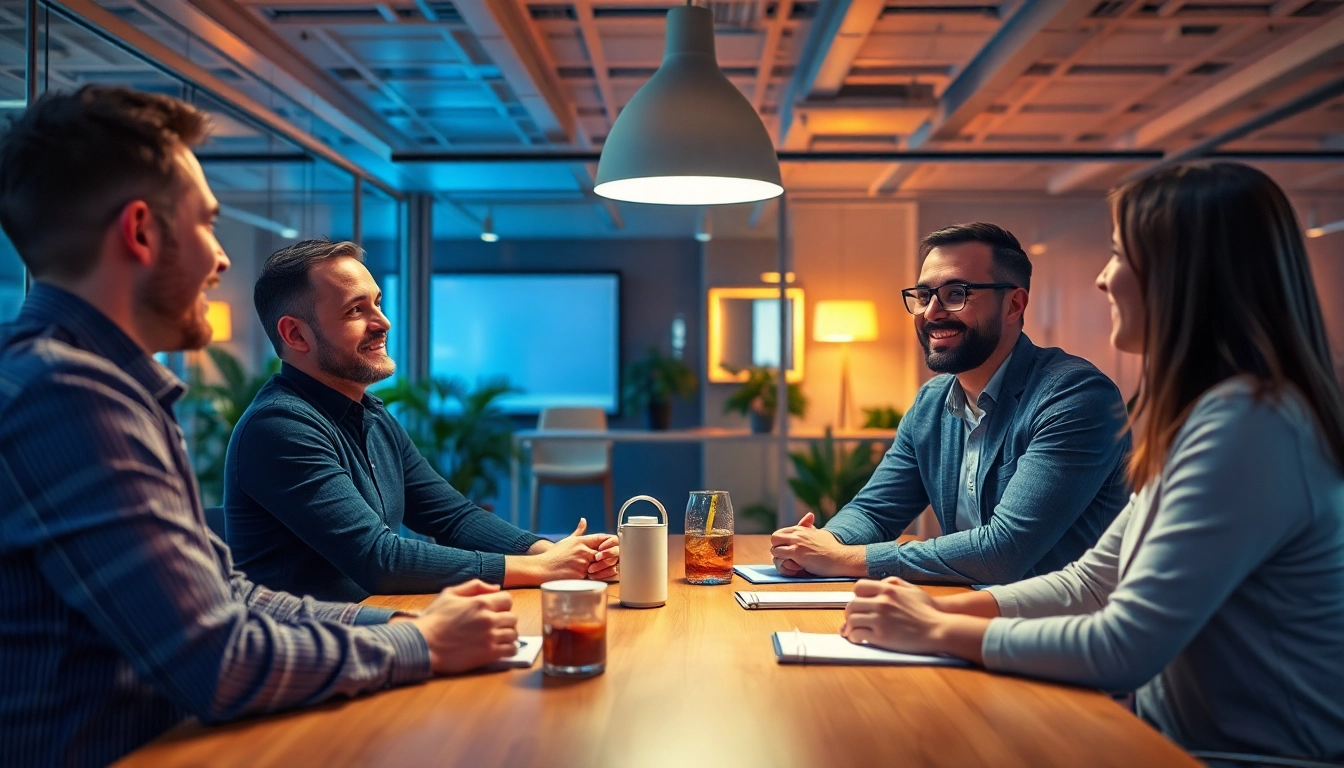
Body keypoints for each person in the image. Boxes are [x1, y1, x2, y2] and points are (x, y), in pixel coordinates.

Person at [0, 87, 520, 768]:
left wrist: (403, 624)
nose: (221, 259)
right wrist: (419, 645)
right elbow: (217, 660)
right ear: (141, 232)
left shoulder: (86, 382)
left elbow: (227, 597)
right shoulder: (67, 396)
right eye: (208, 224)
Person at [840, 163, 1344, 761]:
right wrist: (937, 608)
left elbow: (1123, 644)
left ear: (1185, 275)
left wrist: (937, 627)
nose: (1103, 280)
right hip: (1165, 740)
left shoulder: (1250, 425)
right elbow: (1091, 580)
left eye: (1118, 255)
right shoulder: (1208, 416)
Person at [223, 238, 619, 603]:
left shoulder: (372, 414)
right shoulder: (279, 427)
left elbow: (452, 517)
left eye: (377, 303)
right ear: (295, 335)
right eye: (355, 310)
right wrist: (538, 569)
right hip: (310, 658)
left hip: (372, 631)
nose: (382, 323)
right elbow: (378, 559)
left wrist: (556, 554)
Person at [772, 223, 1131, 585]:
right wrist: (820, 545)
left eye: (955, 294)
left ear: (1014, 304)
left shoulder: (1075, 396)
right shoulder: (932, 402)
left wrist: (843, 557)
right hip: (963, 615)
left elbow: (1004, 552)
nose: (931, 312)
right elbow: (875, 510)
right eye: (924, 295)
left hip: (1058, 630)